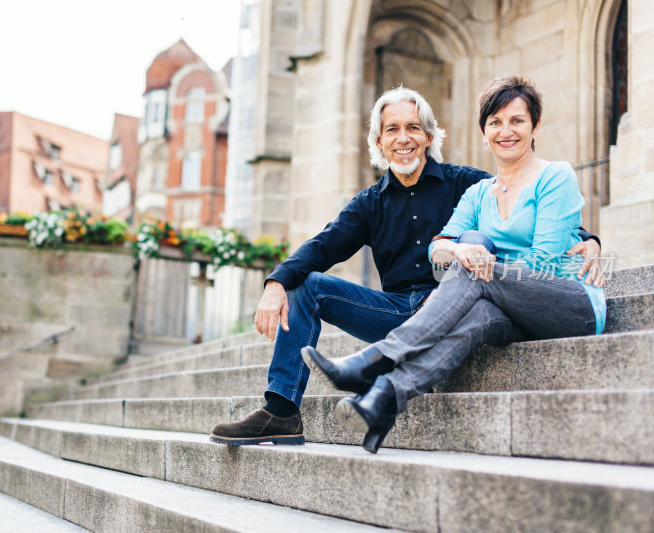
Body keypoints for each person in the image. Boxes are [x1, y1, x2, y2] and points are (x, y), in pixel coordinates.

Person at [209, 83, 602, 446]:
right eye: (392, 130)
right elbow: (323, 245)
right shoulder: (370, 204)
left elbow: (536, 214)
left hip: (458, 305)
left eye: (412, 128)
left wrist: (587, 239)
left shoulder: (464, 183)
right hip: (397, 312)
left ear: (428, 137)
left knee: (473, 243)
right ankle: (280, 412)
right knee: (305, 283)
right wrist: (276, 282)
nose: (403, 139)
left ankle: (375, 370)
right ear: (379, 142)